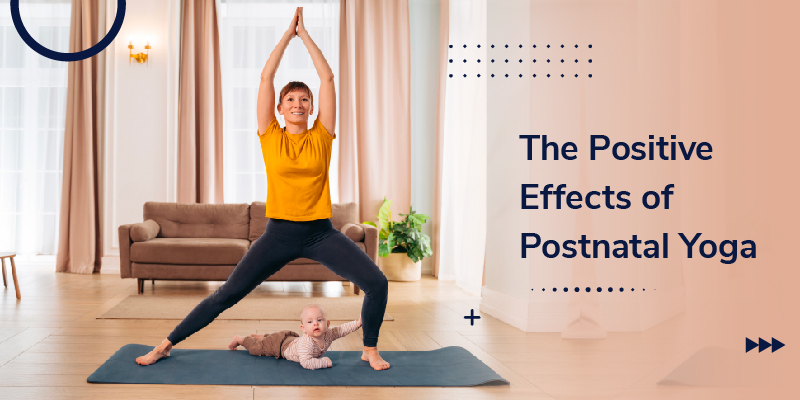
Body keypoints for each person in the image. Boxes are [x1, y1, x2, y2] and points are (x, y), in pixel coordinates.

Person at [135, 7, 391, 371]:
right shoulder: (270, 136)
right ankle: (164, 345)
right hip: (279, 234)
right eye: (290, 100)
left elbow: (328, 78)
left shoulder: (323, 136)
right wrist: (287, 37)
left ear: (312, 108)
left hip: (320, 233)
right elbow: (266, 75)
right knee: (228, 294)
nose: (298, 104)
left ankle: (370, 348)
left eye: (304, 100)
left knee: (377, 282)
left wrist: (307, 38)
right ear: (280, 109)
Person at [228, 304, 361, 370]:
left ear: (327, 324)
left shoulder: (329, 334)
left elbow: (343, 329)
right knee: (256, 349)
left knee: (270, 339)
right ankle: (240, 339)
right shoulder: (307, 344)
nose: (315, 323)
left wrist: (359, 323)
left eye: (319, 320)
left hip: (290, 339)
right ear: (303, 328)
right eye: (310, 322)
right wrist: (324, 362)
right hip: (280, 346)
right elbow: (306, 362)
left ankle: (263, 337)